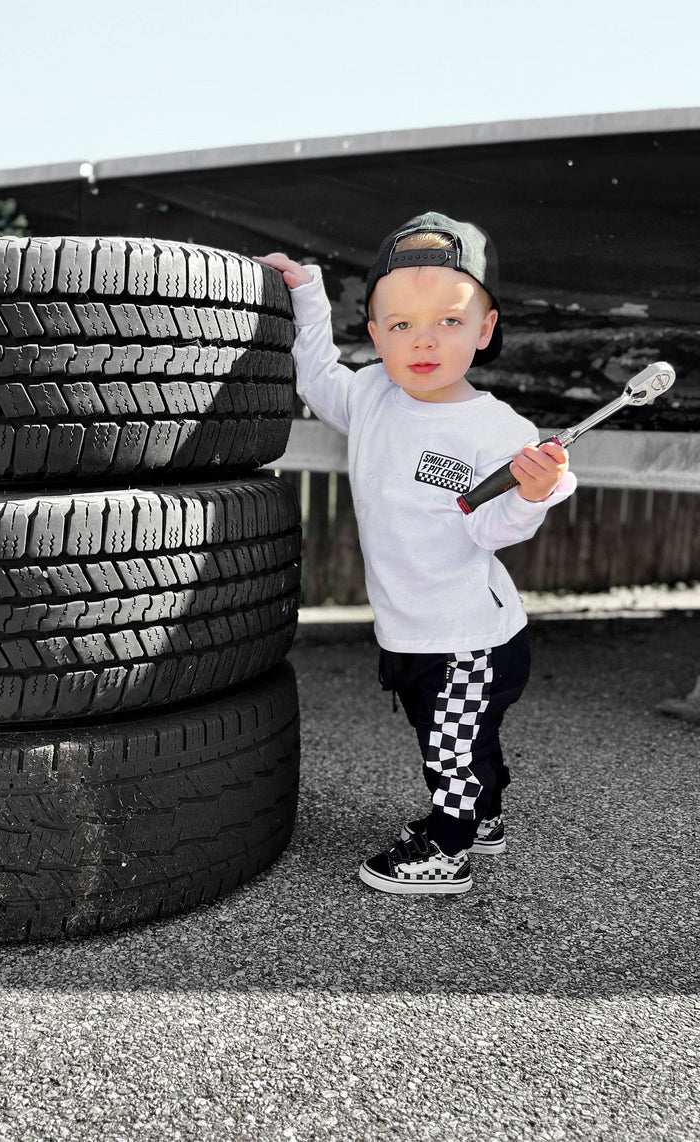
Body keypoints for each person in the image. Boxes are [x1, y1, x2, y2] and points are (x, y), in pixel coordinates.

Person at [257, 211, 577, 896]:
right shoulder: (373, 393)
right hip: (409, 626)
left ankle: (448, 849)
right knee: (460, 734)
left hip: (470, 636)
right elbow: (316, 377)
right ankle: (485, 813)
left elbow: (495, 532)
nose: (423, 340)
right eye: (400, 324)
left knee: (452, 749)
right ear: (375, 333)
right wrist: (310, 296)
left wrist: (533, 492)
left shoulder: (498, 429)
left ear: (485, 330)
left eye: (449, 322)